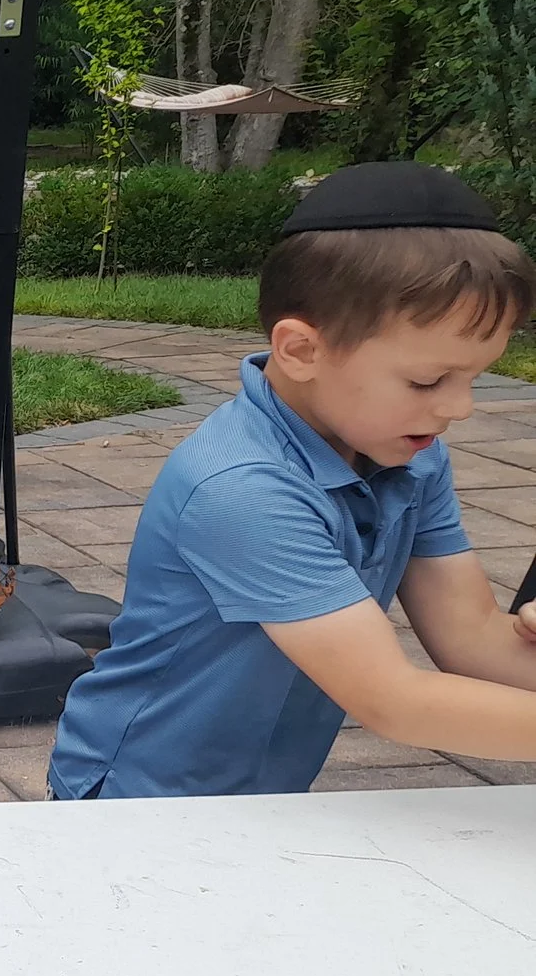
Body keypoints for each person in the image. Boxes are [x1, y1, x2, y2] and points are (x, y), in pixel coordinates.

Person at [48, 161, 536, 798]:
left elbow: (472, 638)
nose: (459, 407)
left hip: (265, 793)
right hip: (140, 799)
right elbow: (395, 701)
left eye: (477, 376)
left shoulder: (409, 454)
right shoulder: (244, 485)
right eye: (426, 381)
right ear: (301, 350)